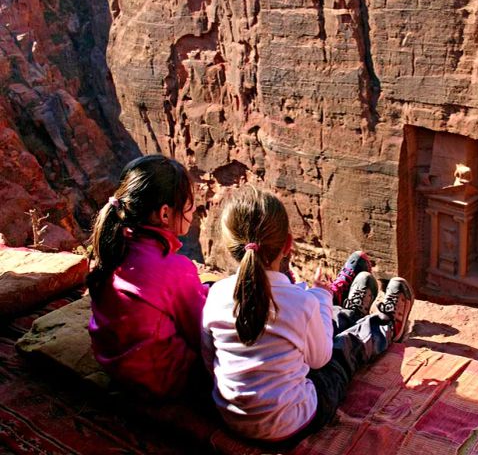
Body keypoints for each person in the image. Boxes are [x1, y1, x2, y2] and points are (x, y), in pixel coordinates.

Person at [201, 186, 414, 443]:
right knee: (344, 350)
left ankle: (350, 310)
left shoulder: (215, 296)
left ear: (230, 246)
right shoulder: (300, 302)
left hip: (233, 420)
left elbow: (209, 358)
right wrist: (321, 296)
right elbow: (321, 359)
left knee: (306, 332)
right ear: (288, 244)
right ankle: (386, 325)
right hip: (295, 422)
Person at [87, 154, 207, 399]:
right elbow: (201, 336)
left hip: (112, 360)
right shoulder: (174, 268)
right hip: (160, 379)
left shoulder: (113, 245)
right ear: (164, 214)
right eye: (188, 202)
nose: (194, 209)